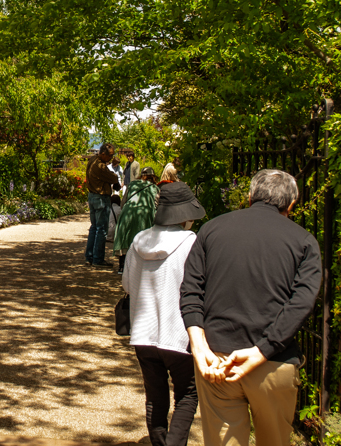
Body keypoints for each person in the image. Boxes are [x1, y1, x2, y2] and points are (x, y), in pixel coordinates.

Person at [180, 169, 322, 446]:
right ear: (291, 205)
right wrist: (262, 350)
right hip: (273, 363)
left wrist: (199, 348)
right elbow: (301, 304)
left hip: (217, 360)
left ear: (249, 196)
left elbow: (191, 290)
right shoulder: (304, 242)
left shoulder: (211, 229)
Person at [122, 180, 205, 446]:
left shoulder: (139, 240)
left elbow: (126, 284)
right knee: (188, 395)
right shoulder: (190, 242)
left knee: (155, 397)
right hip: (179, 332)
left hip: (143, 333)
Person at [114, 166, 158, 274]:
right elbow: (157, 204)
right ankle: (138, 267)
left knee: (125, 237)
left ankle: (122, 266)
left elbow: (124, 200)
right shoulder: (154, 187)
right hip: (145, 213)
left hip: (128, 211)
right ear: (152, 176)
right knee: (142, 239)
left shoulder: (133, 184)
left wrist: (123, 210)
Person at [85, 142, 121, 266]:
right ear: (103, 154)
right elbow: (112, 178)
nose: (111, 158)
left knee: (94, 228)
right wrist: (116, 179)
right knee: (101, 229)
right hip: (100, 198)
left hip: (92, 197)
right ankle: (98, 259)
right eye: (110, 156)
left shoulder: (93, 160)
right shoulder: (99, 166)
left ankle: (90, 256)